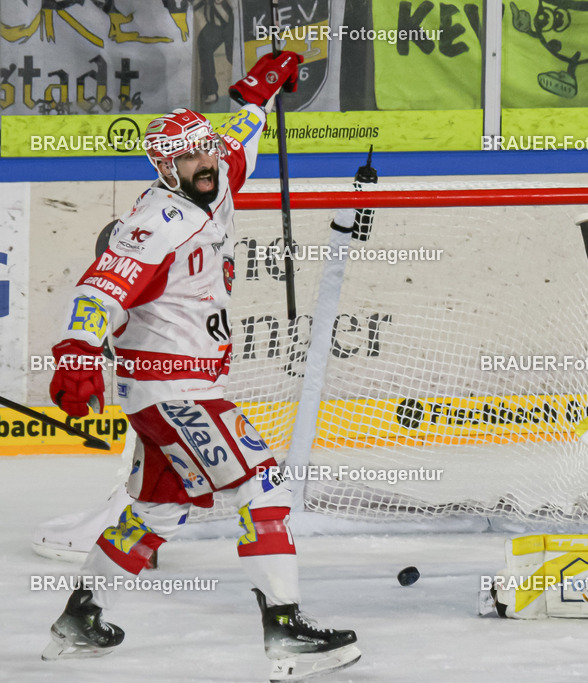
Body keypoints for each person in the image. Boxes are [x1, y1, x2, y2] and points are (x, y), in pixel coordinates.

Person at [42, 50, 362, 676]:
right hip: (174, 391)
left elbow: (238, 140)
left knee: (157, 510)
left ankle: (79, 616)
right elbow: (100, 288)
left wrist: (257, 94)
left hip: (178, 389)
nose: (205, 164)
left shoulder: (213, 184)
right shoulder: (154, 222)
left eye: (205, 152)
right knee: (261, 485)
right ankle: (286, 629)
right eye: (189, 158)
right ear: (164, 168)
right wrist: (77, 352)